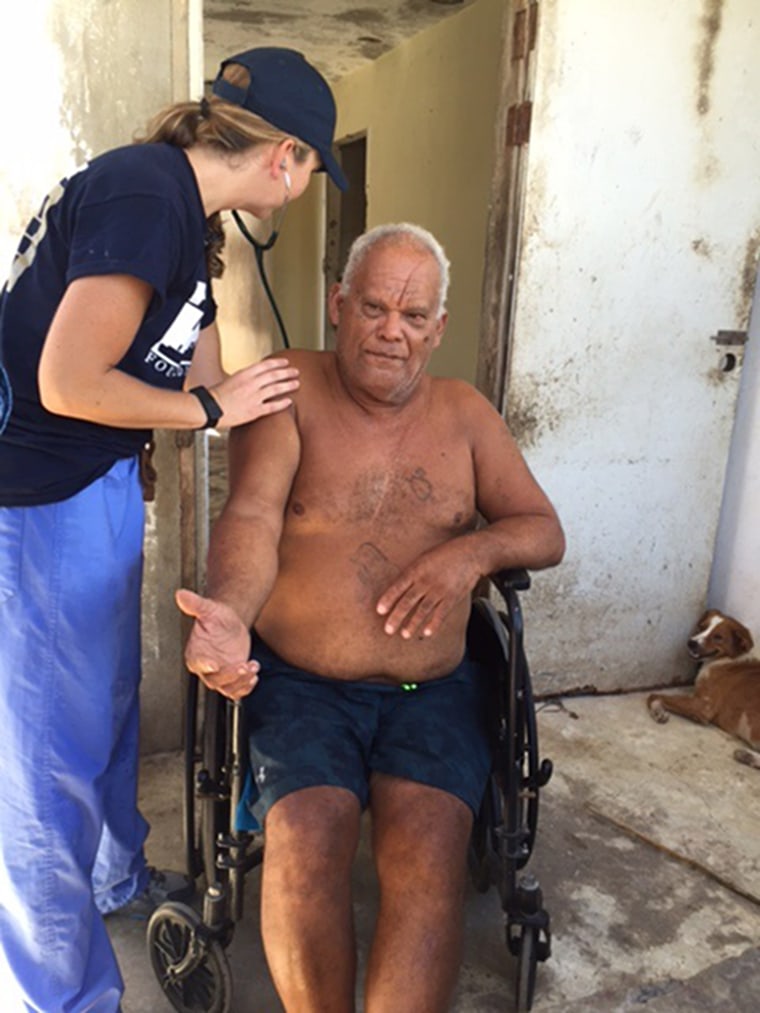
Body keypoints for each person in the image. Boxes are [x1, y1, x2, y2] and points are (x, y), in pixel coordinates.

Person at [0, 46, 347, 1013]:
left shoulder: (186, 217)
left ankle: (114, 880)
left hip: (95, 482)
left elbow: (196, 366)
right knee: (46, 768)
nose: (306, 184)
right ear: (283, 156)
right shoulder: (144, 194)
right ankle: (60, 994)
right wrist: (211, 413)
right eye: (314, 166)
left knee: (107, 712)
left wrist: (256, 400)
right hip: (35, 503)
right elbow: (69, 381)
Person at [178, 222, 565, 1011]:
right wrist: (228, 613)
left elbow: (541, 528)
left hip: (433, 690)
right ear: (337, 303)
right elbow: (251, 516)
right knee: (305, 839)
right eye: (375, 307)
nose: (393, 330)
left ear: (439, 328)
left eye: (415, 315)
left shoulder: (464, 414)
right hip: (303, 684)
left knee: (428, 853)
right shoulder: (286, 386)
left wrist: (468, 556)